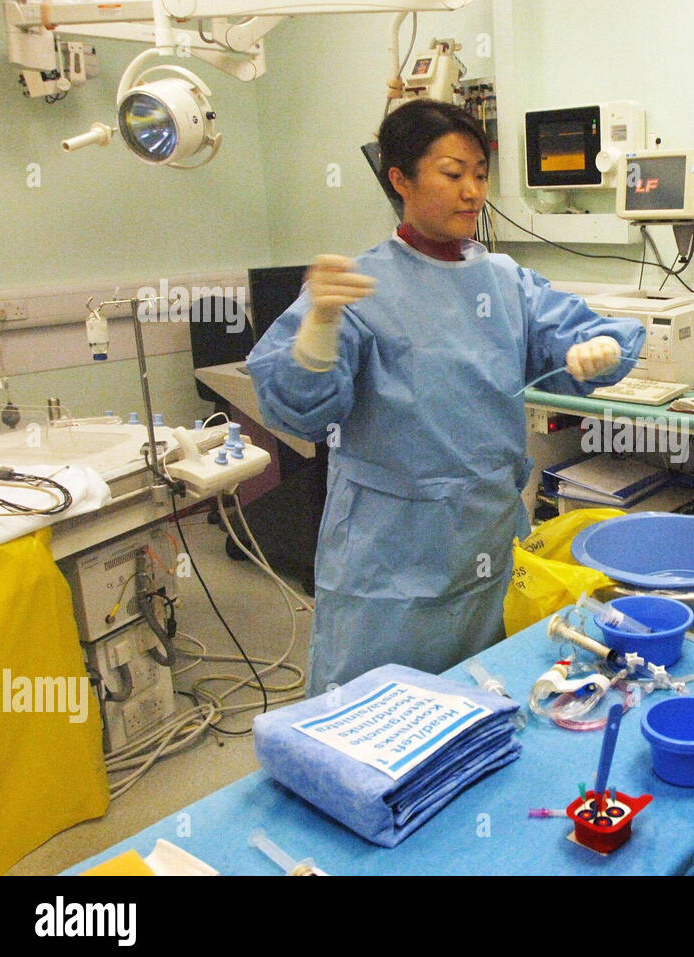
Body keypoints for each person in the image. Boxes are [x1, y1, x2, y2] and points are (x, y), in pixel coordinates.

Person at [247, 99, 645, 696]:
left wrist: (601, 347)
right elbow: (299, 409)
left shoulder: (504, 281)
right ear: (400, 179)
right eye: (453, 174)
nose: (472, 192)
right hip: (389, 558)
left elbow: (586, 332)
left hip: (485, 541)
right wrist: (319, 331)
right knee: (372, 716)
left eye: (480, 175)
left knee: (478, 707)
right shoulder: (359, 286)